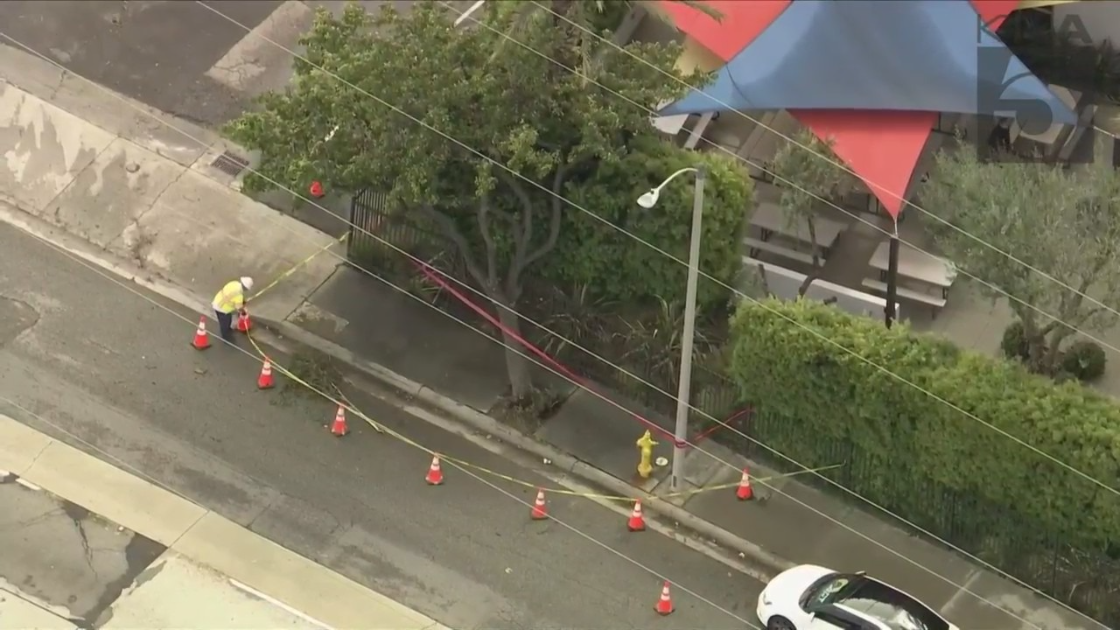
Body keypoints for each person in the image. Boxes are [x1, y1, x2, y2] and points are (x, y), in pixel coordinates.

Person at [212, 277, 254, 343]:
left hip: (217, 301)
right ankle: (226, 337)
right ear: (246, 288)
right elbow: (239, 308)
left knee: (226, 320)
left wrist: (242, 301)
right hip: (222, 310)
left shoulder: (233, 283)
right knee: (225, 323)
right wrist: (243, 312)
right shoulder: (239, 296)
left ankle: (228, 329)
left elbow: (230, 294)